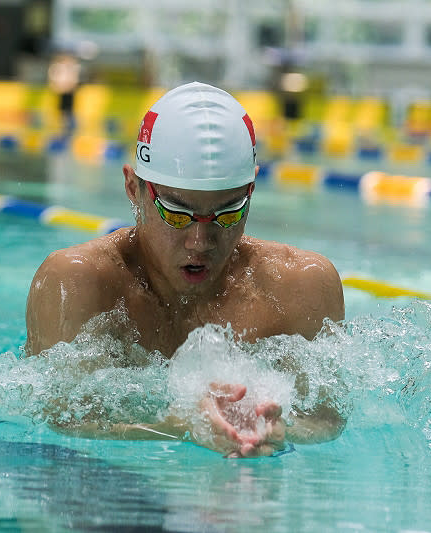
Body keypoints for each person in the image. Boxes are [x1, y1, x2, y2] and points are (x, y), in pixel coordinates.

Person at [25, 82, 345, 457]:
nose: (200, 240)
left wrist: (277, 429)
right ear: (133, 188)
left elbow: (327, 418)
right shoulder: (77, 282)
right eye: (176, 213)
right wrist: (178, 427)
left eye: (228, 212)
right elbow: (58, 419)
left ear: (252, 192)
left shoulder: (301, 285)